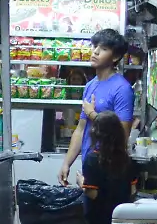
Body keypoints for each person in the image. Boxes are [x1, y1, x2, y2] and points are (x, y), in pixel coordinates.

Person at [58, 28, 135, 186]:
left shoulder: (122, 89)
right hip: (90, 163)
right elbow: (81, 129)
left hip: (109, 168)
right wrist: (67, 163)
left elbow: (122, 135)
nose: (96, 52)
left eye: (104, 49)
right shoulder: (90, 86)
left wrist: (93, 114)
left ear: (116, 57)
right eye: (95, 46)